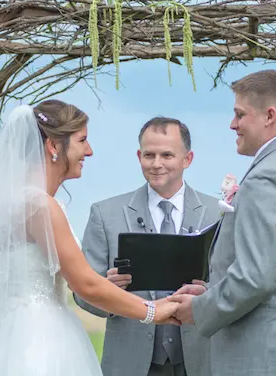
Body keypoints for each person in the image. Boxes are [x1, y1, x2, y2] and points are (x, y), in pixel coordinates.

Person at [0, 100, 180, 376]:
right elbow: (85, 284)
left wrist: (108, 285)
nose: (89, 151)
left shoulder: (15, 201)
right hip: (37, 340)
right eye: (82, 140)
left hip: (9, 334)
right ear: (54, 146)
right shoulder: (39, 206)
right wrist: (153, 311)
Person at [170, 70, 276, 376]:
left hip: (264, 352)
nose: (233, 124)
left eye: (240, 114)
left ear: (269, 115)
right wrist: (212, 291)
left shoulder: (270, 175)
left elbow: (256, 277)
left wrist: (200, 309)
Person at [75, 117, 220, 376]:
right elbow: (82, 294)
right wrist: (107, 291)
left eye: (167, 155)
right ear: (139, 156)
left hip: (201, 361)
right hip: (129, 364)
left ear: (188, 159)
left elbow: (234, 285)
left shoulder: (217, 214)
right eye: (149, 155)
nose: (156, 164)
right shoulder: (105, 214)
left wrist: (208, 292)